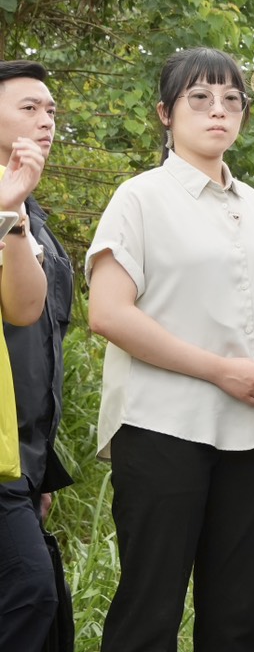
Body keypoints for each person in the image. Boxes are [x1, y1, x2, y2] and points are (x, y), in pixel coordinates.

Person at [86, 48, 254, 651]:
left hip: (252, 435)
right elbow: (108, 313)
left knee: (240, 617)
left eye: (231, 99)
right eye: (199, 98)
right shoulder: (140, 197)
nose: (218, 111)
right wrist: (219, 370)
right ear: (165, 114)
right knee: (151, 610)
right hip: (161, 428)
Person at [0, 60, 64, 650]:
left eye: (50, 110)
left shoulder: (32, 217)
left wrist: (37, 467)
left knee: (37, 602)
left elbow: (28, 318)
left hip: (16, 458)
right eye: (29, 108)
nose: (46, 121)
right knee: (30, 594)